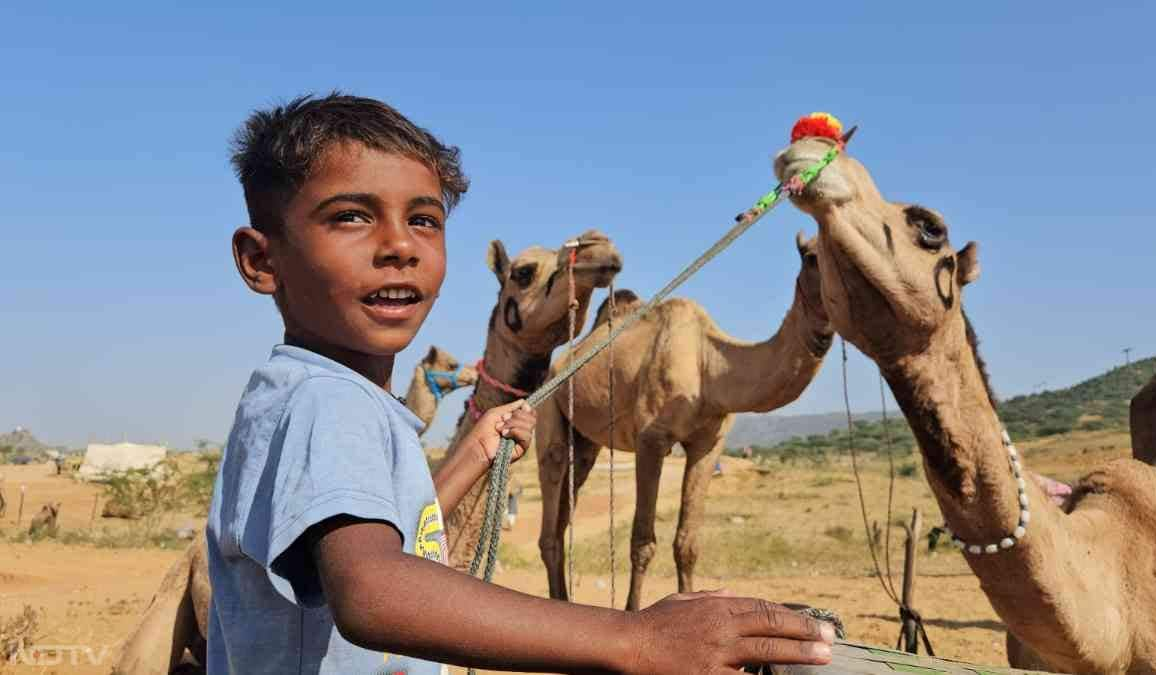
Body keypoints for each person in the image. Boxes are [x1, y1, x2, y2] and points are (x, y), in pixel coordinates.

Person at [207, 92, 835, 675]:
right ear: (263, 260)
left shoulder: (327, 395)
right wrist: (636, 639)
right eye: (351, 217)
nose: (399, 245)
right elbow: (371, 590)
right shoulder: (328, 401)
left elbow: (394, 527)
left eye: (424, 220)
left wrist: (473, 456)